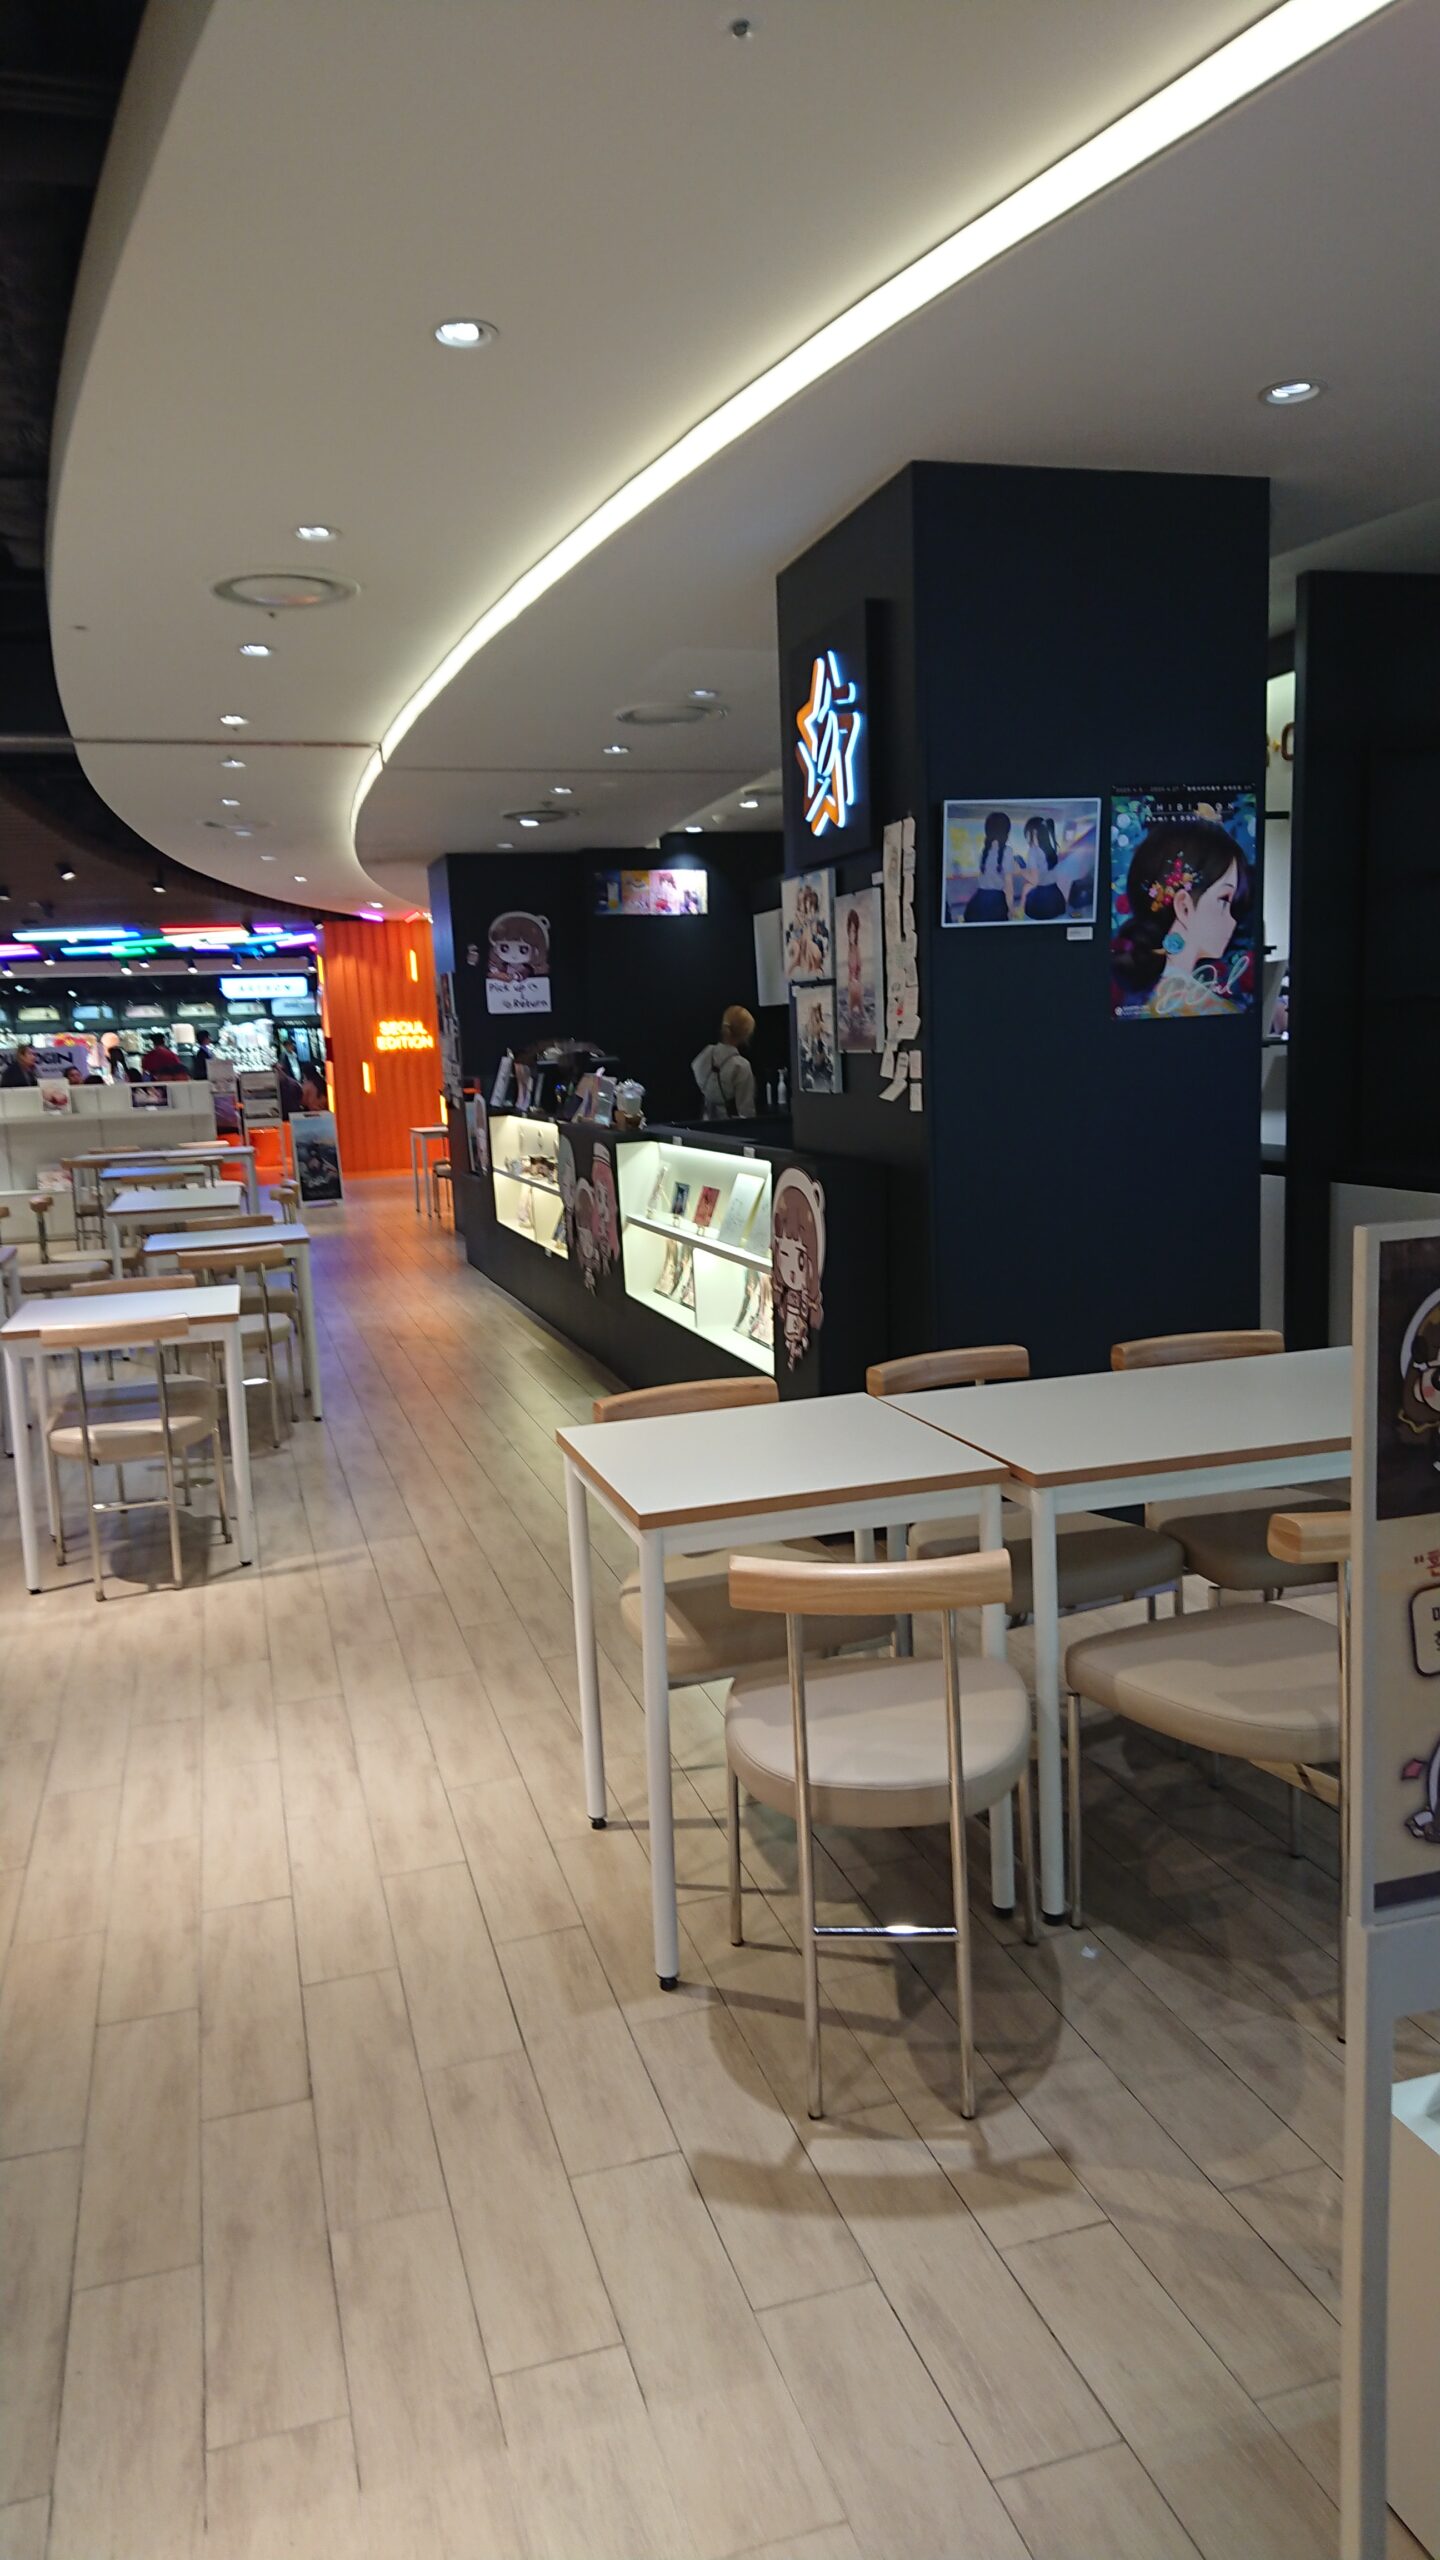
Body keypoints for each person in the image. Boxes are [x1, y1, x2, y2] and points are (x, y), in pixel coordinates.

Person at [1111, 819, 1252, 1018]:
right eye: (1224, 900)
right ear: (1184, 906)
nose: (1232, 921)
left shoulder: (1142, 1000)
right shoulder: (1209, 1010)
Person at [691, 1004, 756, 1119]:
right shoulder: (741, 1066)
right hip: (731, 1126)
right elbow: (746, 1111)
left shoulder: (706, 1053)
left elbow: (695, 1068)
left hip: (705, 1121)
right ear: (745, 1034)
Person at [963, 812, 1013, 922]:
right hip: (996, 902)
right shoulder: (1007, 851)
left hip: (979, 900)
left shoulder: (984, 852)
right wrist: (1011, 909)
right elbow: (1008, 884)